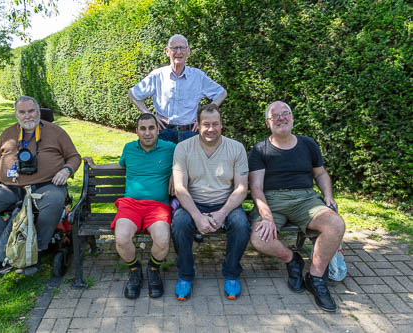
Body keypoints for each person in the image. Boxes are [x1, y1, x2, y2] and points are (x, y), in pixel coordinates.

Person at [248, 101, 346, 312]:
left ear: (292, 118)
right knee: (259, 238)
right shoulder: (260, 149)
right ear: (268, 123)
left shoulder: (308, 144)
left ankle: (316, 278)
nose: (281, 118)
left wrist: (328, 196)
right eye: (276, 116)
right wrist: (266, 217)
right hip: (273, 200)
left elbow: (320, 173)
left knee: (336, 224)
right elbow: (256, 187)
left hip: (306, 199)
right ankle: (292, 259)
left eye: (286, 114)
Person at [0, 96, 81, 275]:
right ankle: (10, 247)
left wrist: (66, 170)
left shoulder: (56, 132)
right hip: (10, 188)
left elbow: (74, 157)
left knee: (54, 201)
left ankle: (37, 249)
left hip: (45, 186)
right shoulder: (7, 134)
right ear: (16, 114)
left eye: (31, 111)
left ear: (38, 111)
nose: (28, 116)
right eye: (22, 112)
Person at [84, 113, 176, 299]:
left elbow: (187, 162)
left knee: (163, 239)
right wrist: (96, 166)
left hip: (158, 207)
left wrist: (176, 171)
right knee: (122, 238)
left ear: (158, 130)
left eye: (151, 128)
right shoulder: (129, 149)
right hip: (130, 205)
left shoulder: (171, 149)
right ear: (137, 131)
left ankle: (153, 269)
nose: (147, 133)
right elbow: (119, 166)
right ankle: (134, 270)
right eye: (143, 128)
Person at [171, 104, 251, 301]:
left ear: (222, 125)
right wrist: (197, 216)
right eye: (206, 124)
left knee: (241, 224)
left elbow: (241, 188)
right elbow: (180, 189)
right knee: (180, 224)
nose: (211, 129)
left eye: (215, 124)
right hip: (193, 203)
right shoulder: (183, 148)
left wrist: (222, 213)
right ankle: (185, 275)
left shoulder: (236, 148)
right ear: (197, 125)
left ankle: (231, 273)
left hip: (226, 203)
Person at [129, 34, 227, 144]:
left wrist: (204, 115)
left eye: (182, 48)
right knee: (165, 162)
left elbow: (221, 93)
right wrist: (149, 114)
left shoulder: (198, 76)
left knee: (190, 162)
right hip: (163, 133)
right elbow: (133, 94)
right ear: (167, 51)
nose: (178, 52)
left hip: (190, 134)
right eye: (174, 48)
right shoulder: (157, 76)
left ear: (188, 51)